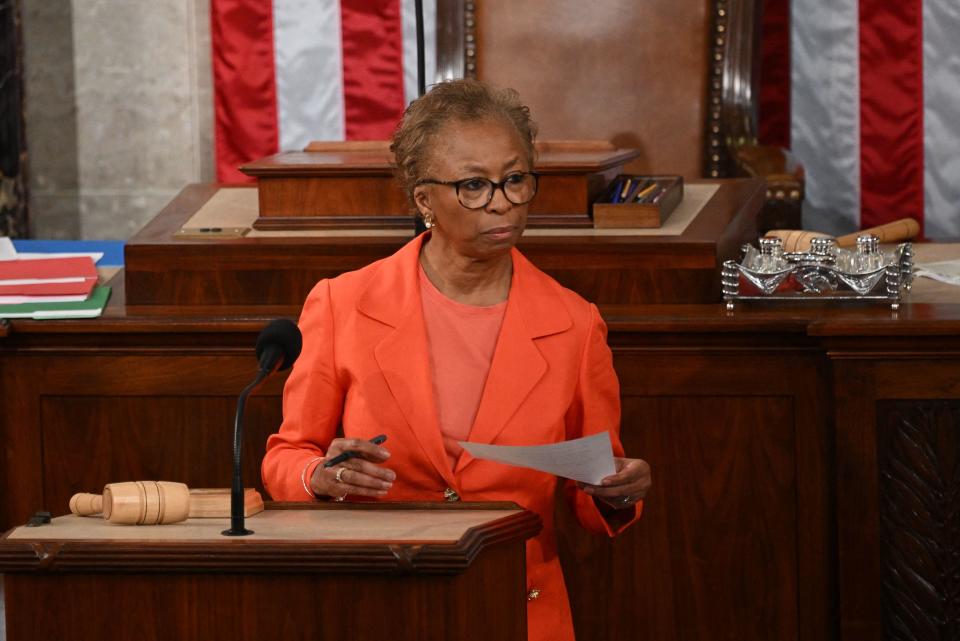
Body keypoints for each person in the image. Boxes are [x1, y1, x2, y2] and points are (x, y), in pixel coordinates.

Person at [261, 78, 652, 641]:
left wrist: (620, 492)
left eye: (515, 180)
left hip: (520, 611)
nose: (501, 202)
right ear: (424, 199)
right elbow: (285, 458)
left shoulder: (575, 323)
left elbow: (593, 492)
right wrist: (319, 476)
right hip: (379, 603)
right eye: (473, 185)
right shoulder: (343, 303)